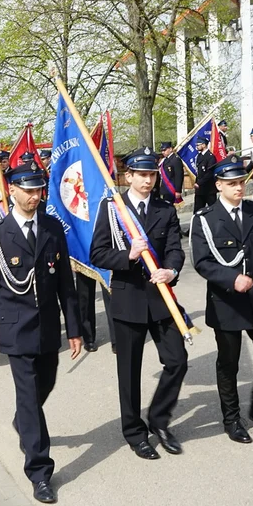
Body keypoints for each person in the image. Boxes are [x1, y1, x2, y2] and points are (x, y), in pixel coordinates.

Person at [0, 161, 83, 504]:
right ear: (12, 191)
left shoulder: (52, 228)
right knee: (29, 400)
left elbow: (66, 282)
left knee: (46, 383)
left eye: (39, 190)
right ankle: (40, 472)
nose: (35, 196)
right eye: (29, 190)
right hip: (16, 328)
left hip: (49, 325)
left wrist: (75, 328)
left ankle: (24, 420)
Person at [89, 148, 187, 460]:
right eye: (141, 174)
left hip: (160, 299)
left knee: (177, 360)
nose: (147, 180)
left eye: (151, 174)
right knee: (129, 373)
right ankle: (135, 433)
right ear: (127, 176)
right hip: (128, 300)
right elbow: (98, 254)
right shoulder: (112, 209)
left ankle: (159, 419)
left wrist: (170, 270)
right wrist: (128, 256)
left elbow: (175, 249)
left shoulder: (165, 209)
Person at [191, 154, 253, 444]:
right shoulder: (206, 220)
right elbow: (203, 262)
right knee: (228, 363)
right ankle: (231, 418)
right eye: (231, 183)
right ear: (218, 185)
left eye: (240, 182)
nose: (238, 188)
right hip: (227, 301)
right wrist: (232, 279)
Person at [192, 135, 217, 212]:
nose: (197, 146)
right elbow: (198, 171)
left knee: (213, 210)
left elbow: (209, 173)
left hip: (209, 189)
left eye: (198, 145)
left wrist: (199, 183)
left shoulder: (210, 157)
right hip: (200, 190)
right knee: (197, 211)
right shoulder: (199, 156)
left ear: (203, 145)